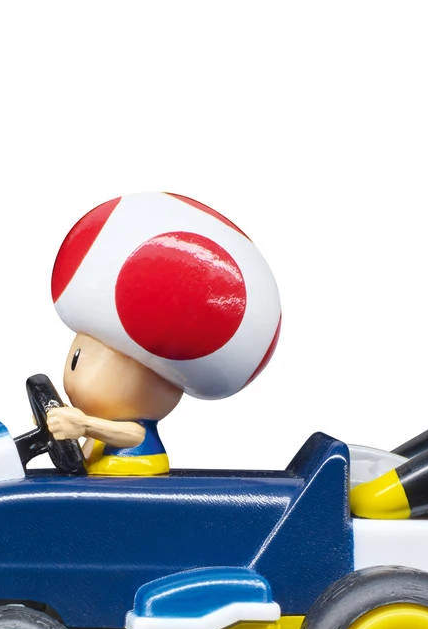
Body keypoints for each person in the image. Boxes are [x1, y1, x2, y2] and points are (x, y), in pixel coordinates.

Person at [47, 192, 281, 476]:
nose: (76, 380)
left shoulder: (126, 430)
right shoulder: (97, 428)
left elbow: (132, 436)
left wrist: (84, 426)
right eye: (77, 358)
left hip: (132, 485)